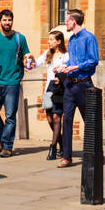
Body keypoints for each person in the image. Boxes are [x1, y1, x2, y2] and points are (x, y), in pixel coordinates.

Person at [0, 8, 34, 158]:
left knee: (10, 116)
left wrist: (29, 59)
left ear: (12, 21)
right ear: (0, 21)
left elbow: (27, 55)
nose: (7, 22)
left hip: (13, 82)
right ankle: (1, 137)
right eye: (5, 20)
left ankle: (7, 146)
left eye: (9, 20)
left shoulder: (20, 39)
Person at [58, 8, 99, 168]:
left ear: (73, 21)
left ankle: (94, 155)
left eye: (67, 20)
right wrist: (63, 66)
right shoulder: (72, 40)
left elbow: (93, 60)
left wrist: (74, 67)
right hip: (70, 84)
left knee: (89, 121)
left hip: (84, 84)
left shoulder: (89, 38)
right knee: (66, 120)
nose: (66, 23)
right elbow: (71, 61)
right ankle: (67, 157)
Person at [41, 30, 68, 160]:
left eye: (52, 39)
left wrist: (61, 77)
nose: (49, 42)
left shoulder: (66, 56)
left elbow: (68, 72)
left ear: (58, 41)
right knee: (50, 119)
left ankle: (52, 147)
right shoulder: (48, 54)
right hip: (48, 90)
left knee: (57, 117)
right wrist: (28, 61)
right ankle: (62, 144)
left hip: (59, 89)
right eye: (49, 39)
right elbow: (36, 63)